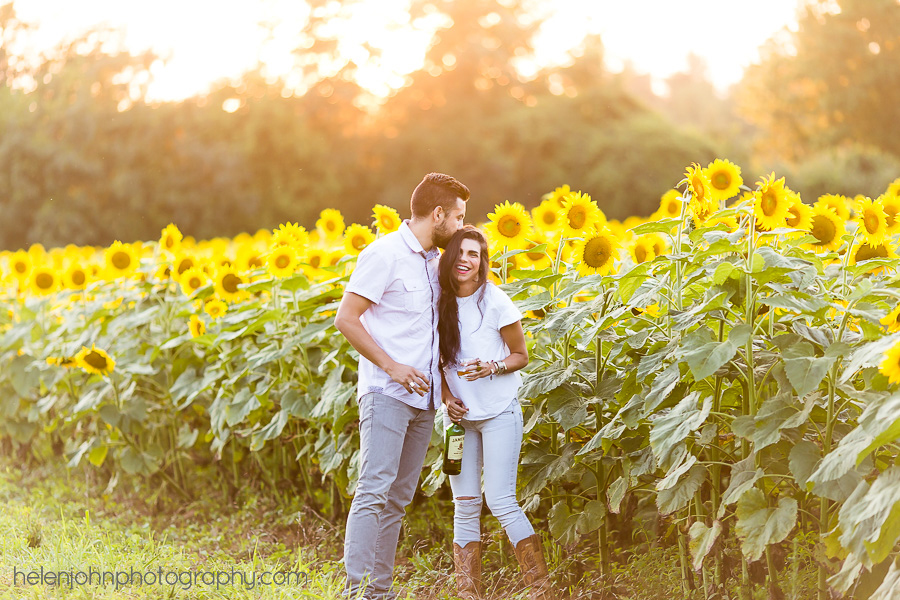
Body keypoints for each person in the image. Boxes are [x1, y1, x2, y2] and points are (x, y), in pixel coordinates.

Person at [334, 172, 469, 600]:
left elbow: (432, 335)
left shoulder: (434, 262)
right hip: (387, 394)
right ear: (438, 213)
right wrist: (391, 367)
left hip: (425, 400)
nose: (464, 224)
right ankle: (358, 592)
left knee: (397, 499)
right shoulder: (384, 254)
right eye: (460, 216)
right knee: (374, 490)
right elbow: (346, 319)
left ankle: (380, 590)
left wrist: (445, 391)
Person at [438, 226, 554, 600]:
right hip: (458, 420)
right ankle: (468, 592)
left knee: (500, 499)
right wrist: (445, 397)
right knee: (465, 504)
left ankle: (540, 588)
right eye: (460, 252)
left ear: (482, 262)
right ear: (449, 257)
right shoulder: (436, 301)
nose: (465, 260)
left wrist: (492, 366)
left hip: (499, 411)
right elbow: (432, 364)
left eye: (474, 254)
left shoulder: (496, 301)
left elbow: (521, 355)